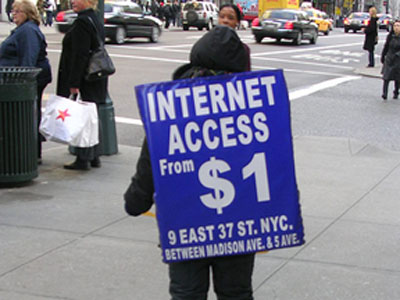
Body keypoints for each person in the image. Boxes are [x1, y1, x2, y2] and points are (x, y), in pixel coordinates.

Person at [124, 4, 255, 299]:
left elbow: (152, 157)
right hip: (239, 223)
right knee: (236, 293)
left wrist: (137, 198)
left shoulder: (172, 104)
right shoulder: (250, 106)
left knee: (186, 293)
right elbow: (273, 162)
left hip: (185, 222)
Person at [57, 0, 107, 170]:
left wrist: (74, 83)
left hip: (85, 78)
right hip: (96, 77)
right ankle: (94, 156)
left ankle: (83, 158)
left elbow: (80, 54)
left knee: (83, 118)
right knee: (92, 117)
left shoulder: (82, 22)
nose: (72, 1)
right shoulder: (94, 19)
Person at [0, 0, 52, 164]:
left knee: (29, 115)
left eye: (17, 11)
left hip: (26, 81)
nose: (13, 14)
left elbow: (28, 60)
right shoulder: (23, 29)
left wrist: (23, 81)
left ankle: (31, 152)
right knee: (30, 113)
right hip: (21, 80)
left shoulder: (28, 31)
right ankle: (31, 151)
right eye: (13, 11)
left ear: (27, 13)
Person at [381, 19, 400, 100]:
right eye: (395, 26)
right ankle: (384, 93)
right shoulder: (390, 36)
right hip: (389, 57)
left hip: (398, 59)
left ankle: (396, 91)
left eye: (398, 26)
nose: (396, 28)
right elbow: (386, 46)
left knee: (397, 78)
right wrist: (383, 56)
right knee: (386, 76)